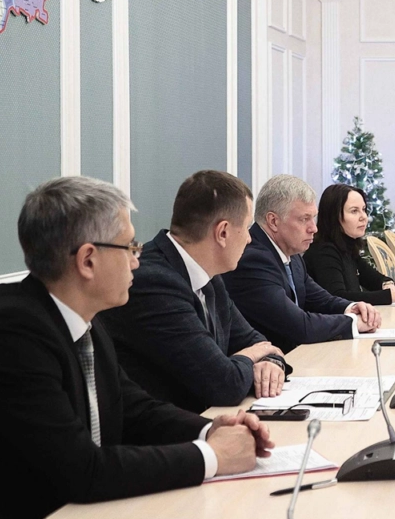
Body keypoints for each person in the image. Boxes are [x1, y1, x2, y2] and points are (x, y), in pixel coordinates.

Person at [0, 177, 272, 519]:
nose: (137, 260)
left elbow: (134, 408)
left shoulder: (79, 319)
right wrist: (211, 456)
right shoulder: (11, 335)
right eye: (130, 247)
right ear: (88, 260)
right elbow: (83, 470)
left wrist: (212, 428)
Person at [100, 171, 289, 413]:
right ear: (222, 232)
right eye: (246, 228)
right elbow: (224, 384)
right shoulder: (154, 283)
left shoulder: (209, 275)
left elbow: (257, 342)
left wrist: (270, 361)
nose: (250, 239)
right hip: (163, 429)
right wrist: (252, 356)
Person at [224, 174, 382, 352]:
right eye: (304, 219)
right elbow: (300, 327)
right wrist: (353, 322)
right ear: (273, 221)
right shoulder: (252, 260)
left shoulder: (291, 253)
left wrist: (351, 307)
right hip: (273, 361)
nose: (314, 228)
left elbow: (321, 299)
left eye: (313, 218)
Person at [304, 183, 395, 305]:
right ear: (334, 216)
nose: (363, 217)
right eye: (354, 211)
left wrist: (386, 284)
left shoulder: (346, 246)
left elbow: (373, 278)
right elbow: (338, 297)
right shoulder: (323, 251)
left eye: (363, 209)